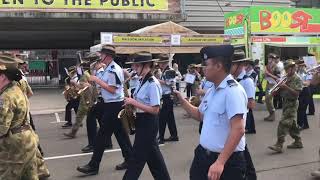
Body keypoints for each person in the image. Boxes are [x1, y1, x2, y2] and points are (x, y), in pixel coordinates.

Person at [175, 45, 247, 180]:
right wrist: (182, 101)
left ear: (218, 66)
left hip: (225, 161)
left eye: (205, 64)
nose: (203, 68)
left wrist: (220, 162)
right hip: (203, 156)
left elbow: (238, 129)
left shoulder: (233, 91)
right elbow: (200, 115)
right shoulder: (213, 90)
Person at [77, 45, 133, 175]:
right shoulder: (106, 68)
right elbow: (99, 84)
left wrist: (96, 79)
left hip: (114, 105)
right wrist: (95, 75)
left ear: (107, 56)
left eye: (101, 54)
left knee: (101, 136)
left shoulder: (114, 69)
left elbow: (112, 89)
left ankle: (93, 165)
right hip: (110, 104)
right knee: (120, 134)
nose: (99, 57)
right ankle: (130, 158)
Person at [122, 51, 171, 180]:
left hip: (149, 122)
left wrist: (134, 102)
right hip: (142, 120)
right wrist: (130, 104)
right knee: (154, 159)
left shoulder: (152, 83)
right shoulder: (141, 80)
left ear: (147, 65)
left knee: (136, 159)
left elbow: (155, 110)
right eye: (134, 66)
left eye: (137, 66)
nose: (134, 68)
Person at [0, 56, 38, 179]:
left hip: (14, 145)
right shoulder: (16, 88)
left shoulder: (6, 97)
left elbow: (2, 127)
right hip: (27, 138)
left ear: (3, 77)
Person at [268, 60, 303, 153]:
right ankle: (298, 141)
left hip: (292, 103)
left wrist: (285, 87)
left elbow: (296, 93)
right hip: (285, 102)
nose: (287, 71)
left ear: (293, 68)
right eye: (286, 69)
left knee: (283, 123)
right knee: (292, 124)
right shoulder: (286, 77)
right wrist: (277, 89)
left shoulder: (297, 79)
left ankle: (279, 144)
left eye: (289, 68)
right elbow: (280, 91)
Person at [81, 53, 113, 153]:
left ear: (95, 62)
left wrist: (89, 85)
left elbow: (100, 88)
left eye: (90, 61)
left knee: (90, 120)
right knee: (102, 122)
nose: (89, 64)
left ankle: (93, 144)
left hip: (103, 99)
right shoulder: (97, 71)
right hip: (101, 100)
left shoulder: (100, 71)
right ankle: (107, 143)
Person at [63, 62, 96, 138]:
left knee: (93, 116)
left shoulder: (87, 75)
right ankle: (73, 132)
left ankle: (99, 129)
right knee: (79, 116)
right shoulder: (81, 76)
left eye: (80, 68)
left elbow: (88, 86)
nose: (78, 70)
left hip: (88, 98)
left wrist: (75, 84)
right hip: (83, 98)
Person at [231, 50, 256, 134]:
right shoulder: (231, 79)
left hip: (243, 117)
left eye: (233, 64)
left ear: (242, 65)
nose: (230, 67)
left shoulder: (247, 81)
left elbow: (251, 104)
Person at [157, 54, 179, 144]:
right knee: (170, 118)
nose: (160, 64)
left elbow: (169, 83)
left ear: (165, 62)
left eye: (161, 62)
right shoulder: (165, 70)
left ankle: (161, 138)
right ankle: (174, 135)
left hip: (167, 96)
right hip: (166, 96)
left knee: (162, 118)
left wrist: (158, 80)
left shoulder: (169, 70)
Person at [264, 53, 281, 122]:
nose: (269, 60)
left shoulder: (276, 67)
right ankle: (270, 114)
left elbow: (279, 78)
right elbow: (266, 75)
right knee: (267, 99)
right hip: (269, 83)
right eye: (269, 58)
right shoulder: (268, 66)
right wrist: (265, 74)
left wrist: (269, 74)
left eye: (271, 59)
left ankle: (272, 114)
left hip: (273, 85)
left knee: (268, 99)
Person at [296, 60, 312, 130]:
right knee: (301, 108)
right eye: (300, 66)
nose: (301, 67)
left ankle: (300, 124)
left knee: (301, 109)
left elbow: (307, 83)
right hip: (299, 91)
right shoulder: (297, 73)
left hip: (305, 91)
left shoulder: (308, 73)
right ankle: (305, 125)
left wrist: (299, 81)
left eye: (302, 66)